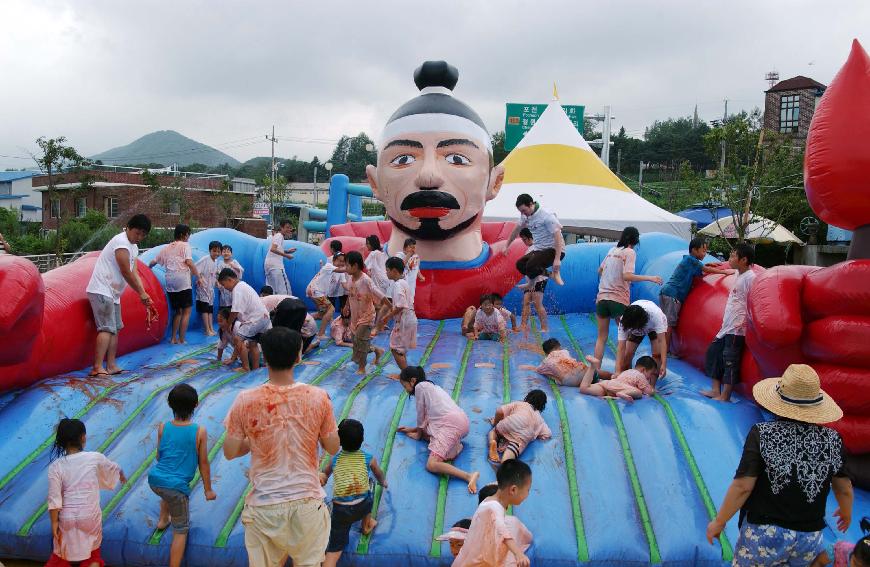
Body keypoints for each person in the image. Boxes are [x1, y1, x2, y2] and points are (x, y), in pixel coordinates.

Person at [705, 365, 853, 566]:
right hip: (809, 537)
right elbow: (843, 488)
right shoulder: (833, 440)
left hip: (764, 533)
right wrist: (846, 511)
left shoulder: (763, 434)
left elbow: (743, 486)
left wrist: (720, 521)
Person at [223, 327, 340, 567]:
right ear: (298, 356)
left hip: (264, 506)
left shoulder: (245, 399)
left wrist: (256, 437)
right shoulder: (318, 397)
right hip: (307, 503)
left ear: (264, 356)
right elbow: (332, 446)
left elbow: (230, 451)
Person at [147, 384, 216, 567]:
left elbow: (159, 455)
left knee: (167, 489)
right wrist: (208, 490)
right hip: (175, 487)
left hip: (155, 480)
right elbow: (203, 463)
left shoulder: (163, 427)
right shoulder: (199, 431)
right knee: (181, 530)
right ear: (196, 405)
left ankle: (163, 520)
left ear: (170, 405)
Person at [46, 418, 126, 567]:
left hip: (67, 517)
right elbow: (113, 468)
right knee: (92, 554)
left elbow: (54, 499)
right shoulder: (94, 457)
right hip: (90, 516)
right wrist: (121, 474)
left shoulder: (56, 466)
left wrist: (54, 523)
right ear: (83, 437)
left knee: (62, 556)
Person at [85, 214, 153, 377]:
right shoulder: (121, 242)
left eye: (143, 234)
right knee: (107, 328)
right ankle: (97, 367)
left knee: (115, 329)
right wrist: (141, 293)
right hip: (102, 289)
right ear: (128, 227)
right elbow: (125, 271)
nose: (139, 237)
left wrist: (144, 294)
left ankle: (111, 364)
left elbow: (135, 273)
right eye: (137, 233)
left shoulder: (133, 248)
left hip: (113, 293)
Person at [397, 366, 479, 494]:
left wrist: (418, 434)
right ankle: (455, 446)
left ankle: (468, 476)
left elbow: (421, 414)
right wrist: (413, 429)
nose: (405, 390)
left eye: (404, 386)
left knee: (432, 464)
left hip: (451, 425)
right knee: (429, 435)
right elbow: (429, 417)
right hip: (462, 421)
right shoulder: (433, 387)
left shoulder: (420, 387)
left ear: (412, 381)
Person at [319, 419, 388, 567]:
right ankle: (366, 524)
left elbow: (324, 475)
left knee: (333, 552)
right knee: (369, 486)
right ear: (362, 440)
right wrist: (383, 482)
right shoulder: (368, 458)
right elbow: (378, 473)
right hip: (362, 505)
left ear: (339, 441)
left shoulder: (335, 460)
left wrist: (322, 479)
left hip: (341, 510)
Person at [594, 226, 662, 363]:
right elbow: (627, 276)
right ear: (636, 240)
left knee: (601, 337)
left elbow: (599, 271)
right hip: (618, 300)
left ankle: (595, 370)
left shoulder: (612, 250)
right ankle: (622, 370)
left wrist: (610, 280)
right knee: (625, 337)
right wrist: (650, 278)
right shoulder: (629, 252)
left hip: (602, 298)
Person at [701, 243, 757, 402]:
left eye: (733, 255)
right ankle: (715, 390)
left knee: (730, 360)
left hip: (737, 328)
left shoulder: (751, 278)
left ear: (744, 259)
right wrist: (717, 266)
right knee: (714, 353)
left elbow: (753, 301)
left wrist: (746, 322)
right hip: (727, 326)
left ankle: (725, 395)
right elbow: (729, 269)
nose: (729, 258)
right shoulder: (739, 273)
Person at [659, 236, 733, 355]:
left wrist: (710, 265)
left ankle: (664, 349)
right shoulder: (690, 260)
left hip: (668, 293)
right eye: (703, 250)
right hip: (673, 294)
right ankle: (665, 351)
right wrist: (724, 272)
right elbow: (705, 269)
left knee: (667, 323)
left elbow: (702, 268)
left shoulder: (690, 261)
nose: (705, 253)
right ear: (694, 250)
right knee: (669, 324)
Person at [451, 459, 532, 567]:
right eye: (527, 490)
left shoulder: (490, 500)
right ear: (513, 490)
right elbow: (502, 530)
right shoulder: (495, 507)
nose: (528, 494)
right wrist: (518, 553)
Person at [148, 224, 199, 344]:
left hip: (170, 283)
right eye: (188, 235)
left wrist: (147, 268)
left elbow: (153, 261)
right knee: (186, 311)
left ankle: (172, 338)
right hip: (182, 281)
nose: (188, 237)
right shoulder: (185, 245)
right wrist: (199, 276)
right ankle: (181, 339)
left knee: (178, 312)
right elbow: (189, 262)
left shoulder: (166, 248)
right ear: (182, 235)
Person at [504, 193, 565, 291]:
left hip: (555, 249)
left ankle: (555, 273)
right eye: (520, 212)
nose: (523, 214)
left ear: (531, 204)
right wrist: (507, 245)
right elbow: (516, 230)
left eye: (524, 210)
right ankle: (538, 280)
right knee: (520, 264)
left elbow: (557, 236)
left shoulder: (546, 215)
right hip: (539, 249)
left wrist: (557, 260)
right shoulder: (525, 216)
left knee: (531, 265)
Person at [216, 268, 271, 371]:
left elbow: (235, 310)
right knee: (253, 343)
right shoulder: (243, 285)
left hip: (255, 319)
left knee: (237, 339)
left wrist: (228, 324)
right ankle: (254, 369)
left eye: (224, 285)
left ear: (229, 280)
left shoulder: (237, 289)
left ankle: (246, 367)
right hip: (263, 318)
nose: (225, 288)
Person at [343, 250, 386, 375]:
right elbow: (350, 293)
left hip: (367, 316)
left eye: (347, 265)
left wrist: (389, 305)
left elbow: (377, 292)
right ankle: (377, 350)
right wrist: (346, 306)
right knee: (356, 340)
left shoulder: (365, 280)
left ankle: (362, 367)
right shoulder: (351, 279)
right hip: (355, 317)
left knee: (359, 339)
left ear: (355, 266)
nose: (345, 268)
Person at [487, 389, 551, 463]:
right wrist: (537, 435)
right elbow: (547, 434)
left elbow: (499, 411)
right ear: (542, 406)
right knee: (515, 445)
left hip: (511, 423)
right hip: (523, 435)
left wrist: (495, 423)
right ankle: (505, 462)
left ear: (528, 397)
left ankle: (492, 441)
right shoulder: (540, 419)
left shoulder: (520, 404)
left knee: (494, 432)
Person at [378, 256, 418, 371]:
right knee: (400, 349)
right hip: (409, 319)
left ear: (394, 271)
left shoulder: (398, 285)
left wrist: (387, 316)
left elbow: (401, 305)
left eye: (387, 270)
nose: (386, 273)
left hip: (404, 320)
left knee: (395, 349)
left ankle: (406, 374)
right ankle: (406, 372)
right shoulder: (403, 283)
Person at [616, 300, 668, 379]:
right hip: (636, 323)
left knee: (657, 355)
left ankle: (651, 385)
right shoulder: (625, 321)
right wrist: (618, 371)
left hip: (653, 327)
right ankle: (628, 380)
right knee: (627, 355)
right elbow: (621, 347)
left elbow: (662, 341)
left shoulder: (656, 316)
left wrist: (664, 364)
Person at [579, 355, 658, 403]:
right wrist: (653, 390)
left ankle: (592, 366)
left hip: (608, 385)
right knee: (638, 392)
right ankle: (622, 394)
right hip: (619, 388)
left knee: (584, 388)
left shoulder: (627, 371)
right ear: (643, 370)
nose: (650, 377)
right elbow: (648, 392)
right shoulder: (641, 375)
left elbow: (615, 378)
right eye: (650, 373)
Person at [536, 338, 613, 387]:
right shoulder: (564, 351)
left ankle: (598, 384)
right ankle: (613, 377)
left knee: (589, 383)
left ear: (546, 353)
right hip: (580, 370)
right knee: (596, 372)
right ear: (559, 347)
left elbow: (538, 370)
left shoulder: (545, 362)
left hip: (569, 381)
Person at [515, 228, 548, 333]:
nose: (524, 242)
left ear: (530, 238)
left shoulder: (536, 248)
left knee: (537, 304)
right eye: (523, 240)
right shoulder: (530, 249)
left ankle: (544, 327)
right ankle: (523, 325)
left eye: (525, 239)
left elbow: (537, 266)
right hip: (530, 281)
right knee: (526, 302)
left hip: (538, 280)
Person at [306, 253, 345, 339]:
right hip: (315, 291)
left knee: (321, 314)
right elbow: (341, 270)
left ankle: (302, 320)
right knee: (331, 309)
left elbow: (345, 285)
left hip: (317, 291)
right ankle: (321, 334)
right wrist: (352, 267)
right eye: (340, 261)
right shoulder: (329, 265)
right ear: (334, 260)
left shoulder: (340, 273)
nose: (342, 263)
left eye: (343, 261)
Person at [194, 240, 222, 336]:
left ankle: (210, 328)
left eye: (218, 251)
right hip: (203, 288)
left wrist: (217, 282)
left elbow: (214, 275)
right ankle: (207, 330)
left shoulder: (216, 261)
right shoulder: (205, 259)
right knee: (205, 309)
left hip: (210, 289)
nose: (216, 253)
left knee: (210, 309)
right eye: (214, 251)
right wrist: (199, 278)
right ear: (210, 251)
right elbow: (196, 269)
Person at [264, 219, 296, 296]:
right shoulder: (279, 236)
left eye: (290, 228)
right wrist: (287, 256)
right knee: (284, 289)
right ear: (281, 228)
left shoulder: (277, 236)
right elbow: (273, 249)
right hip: (276, 266)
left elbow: (275, 249)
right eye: (287, 227)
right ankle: (287, 305)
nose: (289, 229)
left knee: (273, 289)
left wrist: (287, 251)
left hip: (269, 266)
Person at [395, 237, 426, 303]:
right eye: (411, 247)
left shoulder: (416, 257)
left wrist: (421, 277)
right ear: (404, 248)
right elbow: (399, 267)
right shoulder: (399, 256)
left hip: (411, 287)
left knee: (408, 306)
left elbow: (416, 268)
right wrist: (408, 255)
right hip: (401, 287)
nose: (413, 250)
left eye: (414, 248)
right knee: (399, 306)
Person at [326, 241, 348, 311]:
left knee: (331, 303)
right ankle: (343, 317)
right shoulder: (345, 257)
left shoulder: (330, 258)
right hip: (342, 284)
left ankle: (331, 317)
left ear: (332, 249)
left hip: (333, 284)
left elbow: (327, 272)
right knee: (343, 303)